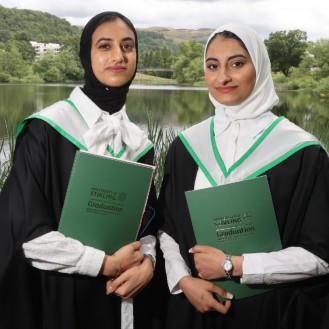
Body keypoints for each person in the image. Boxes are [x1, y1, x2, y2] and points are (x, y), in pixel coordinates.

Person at [158, 22, 329, 329]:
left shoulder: (303, 153)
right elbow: (168, 229)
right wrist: (184, 280)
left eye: (237, 63)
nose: (223, 77)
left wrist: (234, 266)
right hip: (193, 308)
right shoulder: (186, 148)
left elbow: (321, 255)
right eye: (213, 66)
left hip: (271, 313)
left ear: (260, 67)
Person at [0, 11, 164, 329]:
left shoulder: (138, 142)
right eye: (105, 46)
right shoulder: (45, 130)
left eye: (128, 46)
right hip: (60, 298)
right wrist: (104, 262)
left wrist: (148, 262)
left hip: (125, 299)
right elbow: (27, 234)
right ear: (85, 56)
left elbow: (148, 223)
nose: (118, 56)